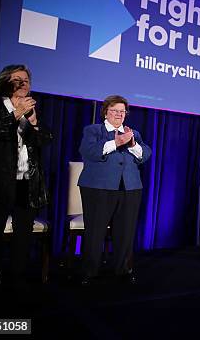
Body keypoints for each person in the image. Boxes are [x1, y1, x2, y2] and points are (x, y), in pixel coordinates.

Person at [0, 64, 52, 291]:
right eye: (17, 79)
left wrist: (33, 122)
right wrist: (16, 113)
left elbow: (45, 141)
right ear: (5, 83)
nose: (23, 83)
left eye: (26, 80)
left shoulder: (32, 109)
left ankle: (16, 277)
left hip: (26, 181)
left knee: (23, 234)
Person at [77, 95, 151, 285]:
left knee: (125, 232)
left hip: (130, 187)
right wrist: (117, 143)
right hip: (98, 188)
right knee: (95, 231)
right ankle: (89, 271)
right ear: (105, 112)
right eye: (114, 110)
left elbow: (145, 155)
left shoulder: (132, 132)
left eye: (122, 111)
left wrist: (132, 143)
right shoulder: (94, 130)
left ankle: (123, 270)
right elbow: (88, 151)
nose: (119, 114)